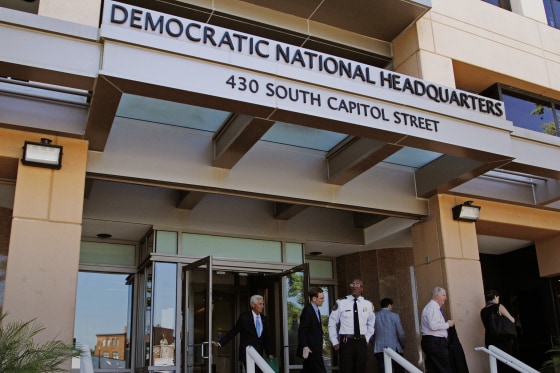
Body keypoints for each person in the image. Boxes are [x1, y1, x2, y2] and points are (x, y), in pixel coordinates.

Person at [212, 294, 273, 373]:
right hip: (248, 354)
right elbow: (234, 331)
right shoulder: (245, 317)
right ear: (253, 305)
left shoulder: (264, 319)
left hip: (259, 354)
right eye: (260, 304)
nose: (262, 306)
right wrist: (220, 343)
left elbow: (265, 338)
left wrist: (269, 353)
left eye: (263, 304)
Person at [328, 278, 375, 373]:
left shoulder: (368, 304)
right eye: (352, 285)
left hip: (361, 342)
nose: (354, 287)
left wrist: (367, 338)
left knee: (361, 368)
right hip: (346, 342)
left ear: (362, 288)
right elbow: (332, 322)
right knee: (346, 369)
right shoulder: (341, 302)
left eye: (357, 285)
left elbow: (371, 323)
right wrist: (335, 341)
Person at [480, 289, 516, 372]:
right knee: (506, 362)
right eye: (498, 298)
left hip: (490, 339)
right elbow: (512, 320)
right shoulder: (498, 306)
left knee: (496, 364)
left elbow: (486, 326)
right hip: (502, 339)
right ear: (495, 297)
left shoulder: (482, 311)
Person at [420, 286, 454, 373]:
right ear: (436, 296)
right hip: (435, 342)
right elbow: (433, 326)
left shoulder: (432, 307)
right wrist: (448, 324)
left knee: (434, 369)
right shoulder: (433, 307)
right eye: (443, 295)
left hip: (433, 342)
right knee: (444, 369)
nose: (445, 298)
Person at [297, 287, 327, 373]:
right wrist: (305, 346)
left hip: (315, 350)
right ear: (314, 298)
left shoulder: (316, 310)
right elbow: (302, 330)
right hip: (311, 351)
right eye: (321, 298)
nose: (323, 300)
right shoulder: (308, 311)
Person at [373, 297, 405, 373]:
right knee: (399, 369)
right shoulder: (395, 316)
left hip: (379, 348)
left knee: (382, 369)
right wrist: (402, 344)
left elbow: (371, 333)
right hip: (394, 347)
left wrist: (374, 343)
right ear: (389, 305)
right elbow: (400, 333)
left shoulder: (374, 316)